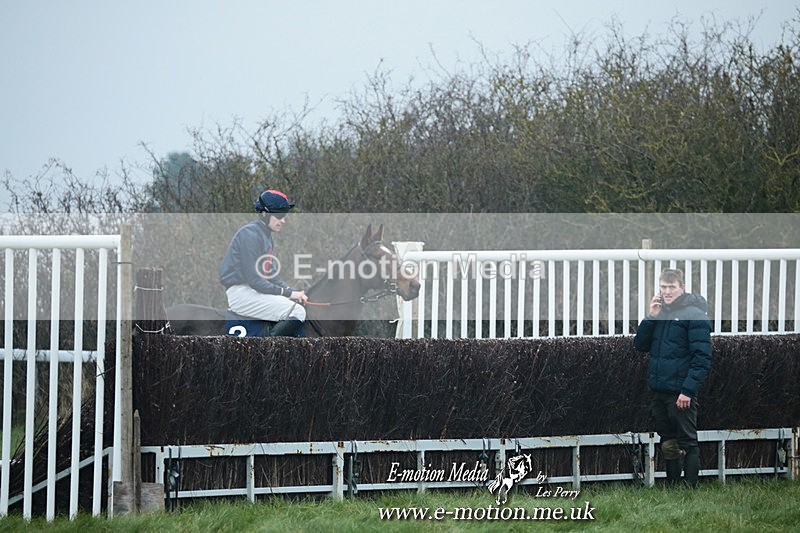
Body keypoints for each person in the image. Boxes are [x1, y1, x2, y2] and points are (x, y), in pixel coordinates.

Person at [633, 268, 712, 488]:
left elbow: (702, 358)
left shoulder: (695, 315)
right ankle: (673, 486)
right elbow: (640, 345)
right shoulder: (660, 313)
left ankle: (690, 487)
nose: (667, 291)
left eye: (671, 287)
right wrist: (651, 317)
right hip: (659, 390)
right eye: (664, 287)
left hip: (681, 392)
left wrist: (687, 391)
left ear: (682, 288)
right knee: (667, 440)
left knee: (687, 440)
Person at [219, 189, 308, 336]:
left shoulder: (266, 236)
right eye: (279, 215)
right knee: (297, 312)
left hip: (252, 291)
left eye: (284, 216)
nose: (283, 220)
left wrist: (291, 292)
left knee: (293, 305)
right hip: (242, 293)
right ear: (264, 214)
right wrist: (289, 293)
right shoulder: (250, 235)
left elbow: (272, 276)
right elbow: (255, 280)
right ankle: (269, 353)